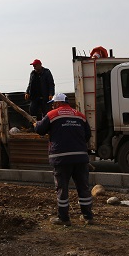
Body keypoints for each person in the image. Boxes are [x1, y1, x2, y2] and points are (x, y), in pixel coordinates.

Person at [34, 93, 94, 226]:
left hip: (61, 159)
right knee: (83, 187)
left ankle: (64, 218)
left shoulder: (52, 115)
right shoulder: (80, 116)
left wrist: (35, 124)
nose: (52, 106)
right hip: (80, 158)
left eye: (53, 104)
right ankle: (88, 216)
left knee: (62, 189)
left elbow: (39, 129)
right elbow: (88, 134)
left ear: (57, 103)